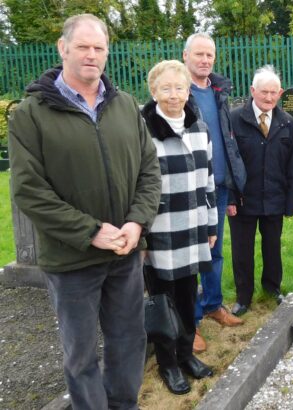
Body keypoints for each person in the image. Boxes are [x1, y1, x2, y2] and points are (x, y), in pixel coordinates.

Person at [8, 14, 161, 409]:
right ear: (63, 49)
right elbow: (29, 190)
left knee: (129, 341)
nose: (92, 55)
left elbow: (149, 171)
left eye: (99, 48)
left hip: (124, 254)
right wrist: (91, 230)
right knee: (80, 355)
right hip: (71, 259)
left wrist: (136, 222)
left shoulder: (126, 106)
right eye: (83, 47)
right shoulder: (31, 114)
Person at [141, 60, 216, 395]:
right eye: (166, 88)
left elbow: (208, 180)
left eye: (180, 88)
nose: (174, 95)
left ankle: (186, 355)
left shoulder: (199, 128)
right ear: (154, 91)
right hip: (160, 232)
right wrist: (141, 236)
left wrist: (211, 224)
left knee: (187, 296)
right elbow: (135, 187)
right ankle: (167, 363)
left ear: (188, 90)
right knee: (163, 300)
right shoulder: (142, 133)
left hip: (193, 228)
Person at [183, 33, 245, 353]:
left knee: (215, 250)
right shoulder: (180, 92)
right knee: (192, 256)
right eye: (199, 54)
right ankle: (190, 322)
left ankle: (213, 304)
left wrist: (231, 188)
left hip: (218, 187)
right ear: (185, 56)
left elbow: (226, 140)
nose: (205, 60)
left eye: (210, 55)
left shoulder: (219, 92)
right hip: (189, 189)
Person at [228, 66, 293, 313]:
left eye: (273, 93)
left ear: (280, 93)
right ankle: (243, 297)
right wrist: (230, 197)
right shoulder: (234, 119)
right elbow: (228, 162)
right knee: (242, 251)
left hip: (274, 199)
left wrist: (291, 202)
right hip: (243, 200)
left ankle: (272, 288)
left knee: (272, 246)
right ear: (252, 91)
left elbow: (292, 166)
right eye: (263, 92)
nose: (269, 98)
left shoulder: (287, 122)